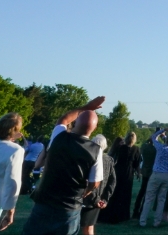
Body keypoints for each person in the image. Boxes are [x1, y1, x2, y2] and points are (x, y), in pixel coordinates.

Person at [23, 96, 106, 235]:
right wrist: (85, 192)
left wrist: (87, 107)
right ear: (95, 127)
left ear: (75, 122)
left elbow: (64, 119)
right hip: (70, 206)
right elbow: (95, 182)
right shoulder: (96, 150)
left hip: (45, 200)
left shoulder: (59, 137)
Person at [138, 128, 168, 228]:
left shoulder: (161, 148)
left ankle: (142, 221)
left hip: (156, 174)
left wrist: (163, 130)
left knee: (148, 198)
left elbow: (153, 137)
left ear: (166, 140)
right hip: (167, 175)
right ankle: (157, 221)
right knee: (161, 199)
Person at [79, 135, 116, 235]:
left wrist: (100, 199)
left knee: (82, 228)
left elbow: (89, 181)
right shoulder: (109, 160)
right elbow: (112, 182)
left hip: (86, 197)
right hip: (97, 199)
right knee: (89, 228)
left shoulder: (88, 157)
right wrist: (105, 199)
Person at [132, 126, 159, 219]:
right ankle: (142, 211)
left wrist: (151, 137)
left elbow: (144, 144)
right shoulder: (156, 150)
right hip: (152, 172)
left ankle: (136, 210)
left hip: (145, 170)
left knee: (141, 192)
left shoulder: (144, 147)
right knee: (148, 193)